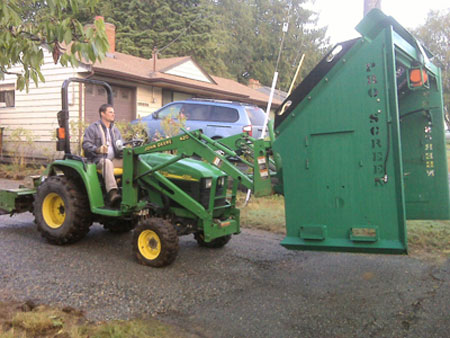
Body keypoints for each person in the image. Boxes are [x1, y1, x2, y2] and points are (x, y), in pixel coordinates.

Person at [82, 103, 123, 206]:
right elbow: (86, 144)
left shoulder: (115, 130)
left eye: (113, 112)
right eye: (110, 112)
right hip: (99, 160)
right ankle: (113, 193)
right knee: (107, 162)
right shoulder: (93, 128)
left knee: (132, 161)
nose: (113, 114)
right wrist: (97, 149)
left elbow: (120, 144)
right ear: (102, 114)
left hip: (115, 159)